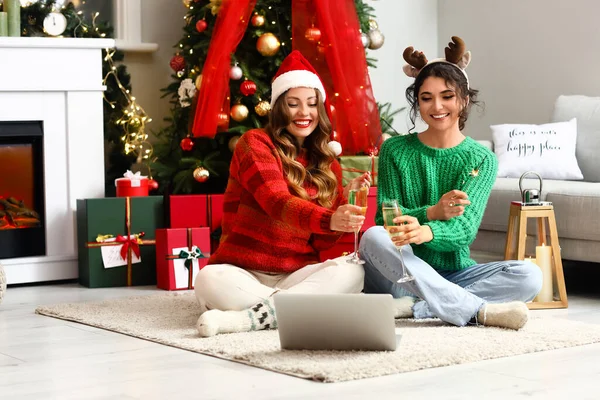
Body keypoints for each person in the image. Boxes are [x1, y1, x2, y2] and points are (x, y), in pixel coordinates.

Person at [359, 37, 543, 330]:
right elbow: (386, 219)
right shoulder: (395, 149)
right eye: (426, 97)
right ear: (416, 102)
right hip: (401, 272)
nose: (437, 106)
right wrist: (431, 213)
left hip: (453, 274)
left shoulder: (481, 157)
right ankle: (470, 308)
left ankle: (417, 309)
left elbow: (465, 228)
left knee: (531, 276)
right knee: (373, 237)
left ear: (464, 99)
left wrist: (427, 232)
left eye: (447, 96)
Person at [194, 50, 370, 337]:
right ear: (278, 107)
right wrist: (329, 218)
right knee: (208, 279)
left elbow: (323, 241)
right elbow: (276, 202)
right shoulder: (255, 144)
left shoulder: (328, 165)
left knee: (354, 270)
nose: (304, 113)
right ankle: (303, 310)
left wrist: (342, 203)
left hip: (295, 276)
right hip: (243, 272)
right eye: (293, 104)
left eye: (312, 104)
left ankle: (244, 320)